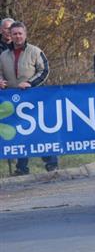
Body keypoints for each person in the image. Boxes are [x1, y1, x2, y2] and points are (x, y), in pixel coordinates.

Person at [0, 21, 56, 174]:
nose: (17, 36)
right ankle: (22, 168)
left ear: (25, 34)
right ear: (10, 35)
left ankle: (52, 163)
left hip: (33, 98)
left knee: (38, 131)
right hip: (13, 100)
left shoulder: (35, 51)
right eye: (15, 34)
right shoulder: (3, 55)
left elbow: (44, 70)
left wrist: (30, 83)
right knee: (19, 134)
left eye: (20, 33)